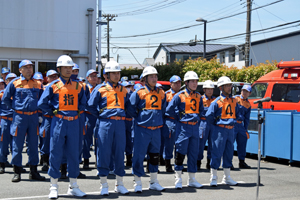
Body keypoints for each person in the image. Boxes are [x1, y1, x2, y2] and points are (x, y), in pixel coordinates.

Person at [38, 55, 87, 198]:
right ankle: (53, 185)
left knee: (74, 153)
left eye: (70, 67)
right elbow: (42, 103)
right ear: (59, 69)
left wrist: (77, 112)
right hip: (58, 121)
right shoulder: (53, 85)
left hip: (74, 122)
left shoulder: (78, 86)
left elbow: (83, 102)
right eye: (65, 67)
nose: (68, 70)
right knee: (55, 151)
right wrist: (52, 111)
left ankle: (74, 186)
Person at [87, 61, 129, 196]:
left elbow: (127, 105)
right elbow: (90, 106)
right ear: (106, 75)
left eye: (118, 73)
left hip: (120, 123)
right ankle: (104, 184)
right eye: (114, 73)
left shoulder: (123, 89)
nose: (117, 76)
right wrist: (101, 115)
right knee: (104, 152)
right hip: (105, 123)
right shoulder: (100, 89)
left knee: (119, 152)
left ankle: (120, 184)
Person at [2, 60, 45, 182]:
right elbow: (5, 99)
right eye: (26, 67)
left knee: (33, 144)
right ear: (20, 70)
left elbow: (42, 100)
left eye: (31, 67)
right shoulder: (15, 83)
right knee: (17, 144)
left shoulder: (37, 84)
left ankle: (34, 171)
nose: (29, 69)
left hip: (33, 117)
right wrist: (15, 108)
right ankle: (17, 171)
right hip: (19, 118)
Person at [127, 66, 166, 193]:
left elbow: (163, 109)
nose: (154, 79)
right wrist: (140, 118)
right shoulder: (139, 92)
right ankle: (137, 182)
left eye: (155, 76)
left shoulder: (161, 93)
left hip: (156, 130)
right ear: (145, 78)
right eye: (151, 76)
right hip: (142, 129)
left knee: (155, 155)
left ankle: (154, 181)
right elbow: (130, 109)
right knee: (138, 155)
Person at [166, 71, 204, 189]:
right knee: (180, 152)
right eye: (192, 81)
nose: (194, 83)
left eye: (196, 81)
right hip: (183, 127)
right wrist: (179, 116)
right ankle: (178, 178)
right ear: (186, 82)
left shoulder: (198, 96)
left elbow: (201, 110)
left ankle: (192, 179)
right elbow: (169, 109)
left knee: (193, 153)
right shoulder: (180, 95)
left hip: (195, 126)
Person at [205, 76, 239, 187]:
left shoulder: (234, 100)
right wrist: (217, 122)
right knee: (216, 152)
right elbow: (209, 115)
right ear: (221, 87)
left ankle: (227, 177)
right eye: (227, 85)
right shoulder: (216, 102)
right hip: (219, 130)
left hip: (230, 130)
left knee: (229, 153)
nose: (230, 87)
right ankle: (213, 177)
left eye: (230, 85)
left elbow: (237, 113)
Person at [39, 70, 59, 172]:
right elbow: (40, 103)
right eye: (51, 77)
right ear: (47, 78)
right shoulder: (43, 88)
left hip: (58, 117)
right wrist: (49, 111)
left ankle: (56, 162)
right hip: (47, 117)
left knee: (57, 140)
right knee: (45, 138)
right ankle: (45, 161)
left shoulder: (59, 87)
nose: (54, 78)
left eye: (55, 76)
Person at [162, 75, 181, 173]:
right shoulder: (166, 95)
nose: (178, 84)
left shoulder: (183, 95)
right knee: (168, 144)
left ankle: (178, 164)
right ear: (171, 84)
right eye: (175, 83)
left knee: (180, 143)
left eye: (179, 83)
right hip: (170, 120)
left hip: (180, 121)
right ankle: (168, 164)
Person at [197, 80, 215, 170]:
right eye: (208, 89)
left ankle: (209, 162)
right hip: (202, 123)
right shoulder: (200, 99)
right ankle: (198, 162)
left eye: (211, 89)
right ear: (204, 89)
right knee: (200, 144)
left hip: (212, 123)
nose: (210, 91)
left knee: (212, 143)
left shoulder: (215, 100)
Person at [83, 69, 99, 169]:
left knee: (98, 138)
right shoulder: (84, 88)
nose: (94, 78)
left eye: (95, 76)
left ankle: (98, 160)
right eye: (92, 76)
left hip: (97, 115)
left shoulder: (100, 88)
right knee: (86, 139)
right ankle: (86, 160)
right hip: (87, 115)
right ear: (87, 78)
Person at [233, 85, 252, 169]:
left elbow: (247, 119)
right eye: (243, 90)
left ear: (249, 93)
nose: (244, 92)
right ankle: (228, 162)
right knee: (230, 144)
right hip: (232, 124)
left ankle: (242, 161)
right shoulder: (235, 99)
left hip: (240, 125)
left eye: (246, 91)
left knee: (242, 144)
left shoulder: (248, 104)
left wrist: (245, 130)